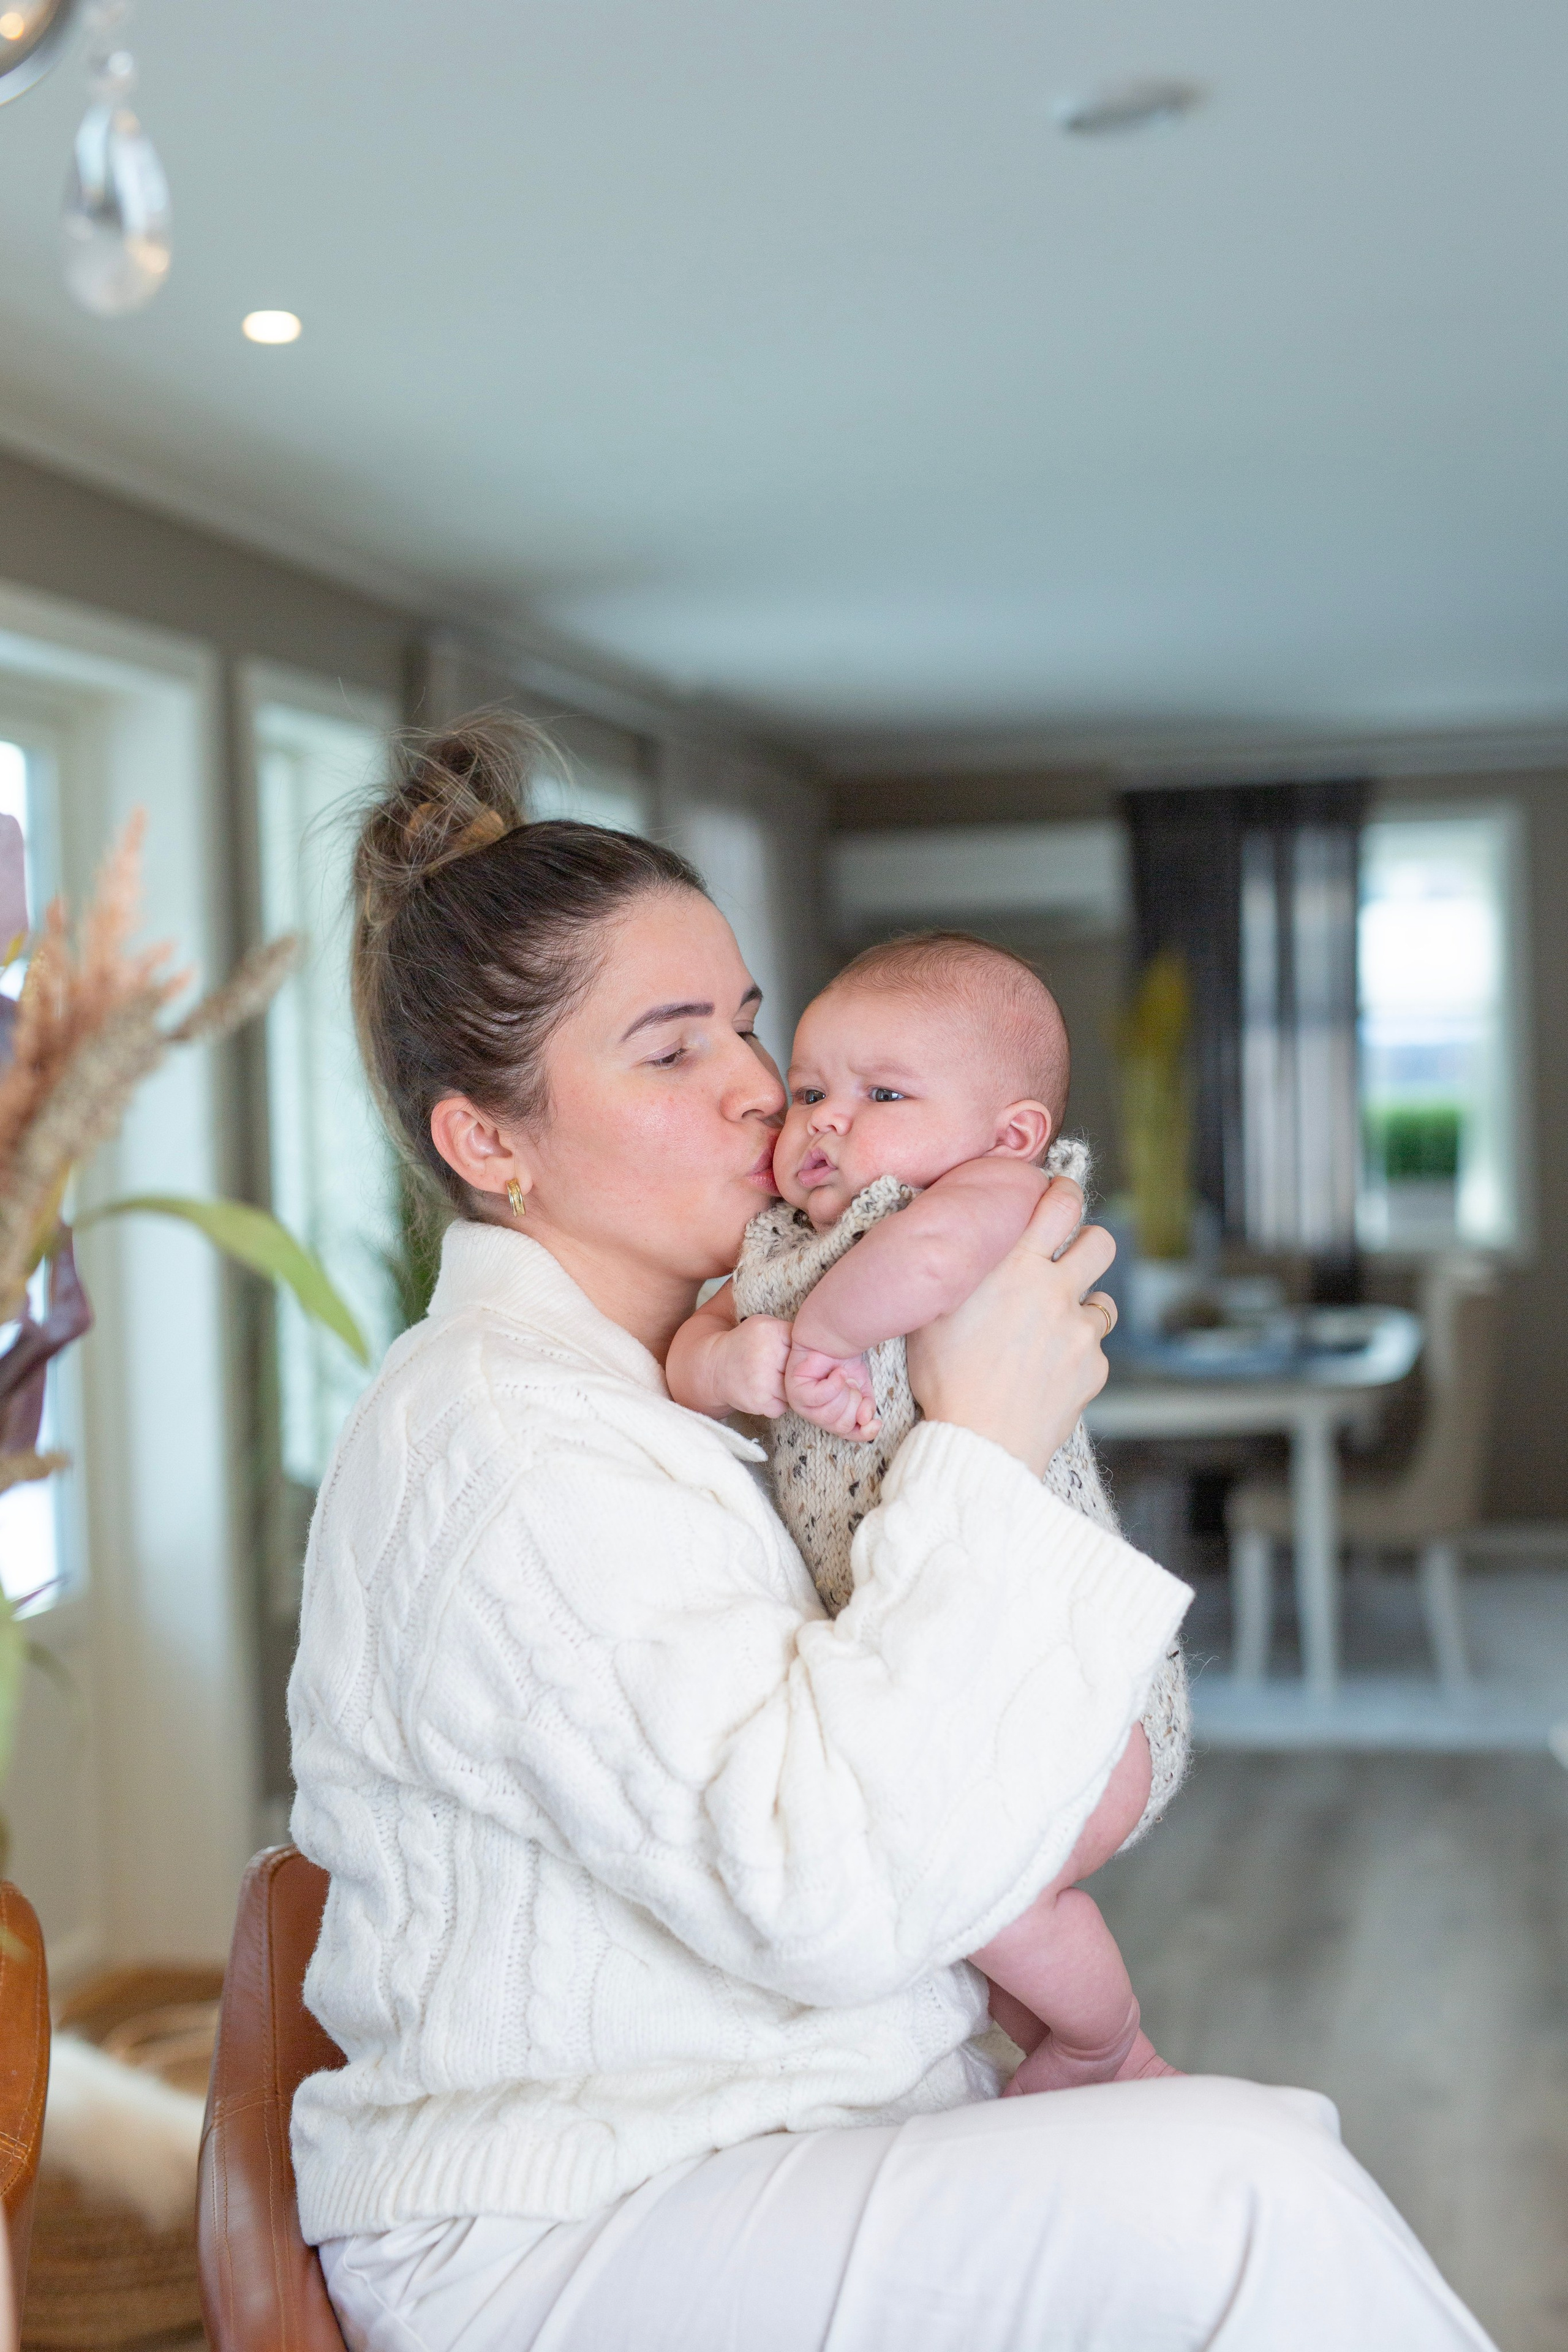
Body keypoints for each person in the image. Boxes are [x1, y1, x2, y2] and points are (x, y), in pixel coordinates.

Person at [289, 714, 1495, 2351]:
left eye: (745, 1021)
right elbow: (829, 1891)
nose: (756, 1089)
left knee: (1272, 2152)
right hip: (561, 2228)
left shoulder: (691, 1374)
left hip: (766, 2142)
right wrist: (986, 1444)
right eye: (668, 1050)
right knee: (1241, 2199)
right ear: (486, 1141)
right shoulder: (505, 1438)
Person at [665, 932, 1185, 2096]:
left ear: (1009, 1130)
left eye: (881, 1094)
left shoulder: (1004, 1196)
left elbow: (932, 1262)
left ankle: (1113, 2046)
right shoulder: (776, 1248)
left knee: (996, 1891)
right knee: (967, 1904)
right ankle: (1061, 2051)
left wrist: (825, 1338)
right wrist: (734, 1363)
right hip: (938, 1666)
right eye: (808, 1092)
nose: (825, 1123)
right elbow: (689, 1346)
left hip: (1067, 1673)